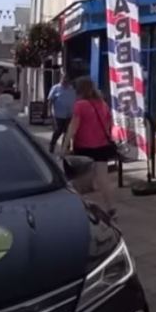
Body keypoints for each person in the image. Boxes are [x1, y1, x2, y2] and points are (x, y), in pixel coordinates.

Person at [59, 77, 116, 216]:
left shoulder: (80, 105)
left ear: (79, 89)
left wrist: (64, 147)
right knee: (103, 179)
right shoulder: (102, 104)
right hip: (102, 146)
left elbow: (73, 128)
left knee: (80, 181)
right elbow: (109, 124)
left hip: (84, 147)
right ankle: (110, 207)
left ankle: (80, 209)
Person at [47, 74, 76, 153]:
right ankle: (52, 144)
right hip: (59, 114)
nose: (65, 82)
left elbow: (75, 100)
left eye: (67, 80)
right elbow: (50, 101)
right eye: (64, 80)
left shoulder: (72, 89)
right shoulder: (56, 88)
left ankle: (65, 148)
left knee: (67, 132)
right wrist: (49, 112)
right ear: (61, 80)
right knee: (58, 131)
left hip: (69, 114)